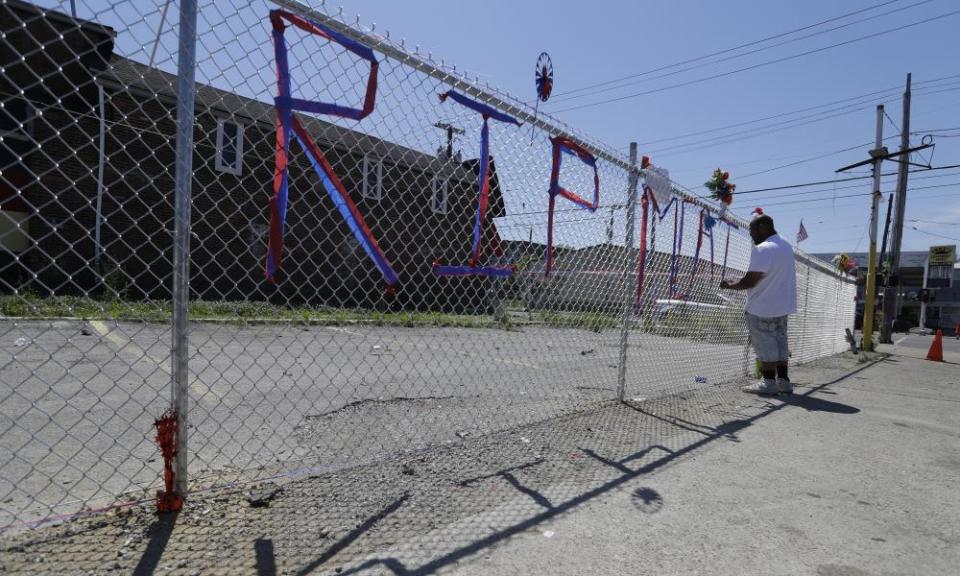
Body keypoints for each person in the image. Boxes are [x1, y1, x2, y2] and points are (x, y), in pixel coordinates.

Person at [720, 211, 798, 395]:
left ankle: (768, 382)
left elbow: (751, 281)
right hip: (782, 306)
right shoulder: (785, 245)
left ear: (764, 227)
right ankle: (784, 381)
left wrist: (730, 285)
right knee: (780, 343)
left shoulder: (764, 248)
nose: (751, 235)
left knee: (765, 345)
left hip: (762, 307)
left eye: (753, 230)